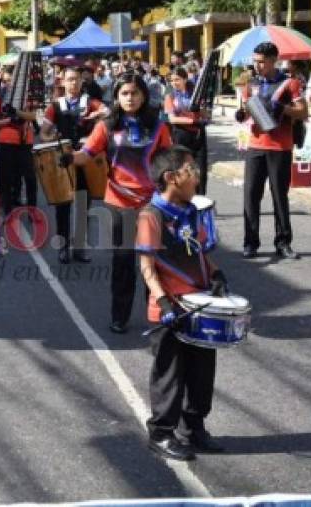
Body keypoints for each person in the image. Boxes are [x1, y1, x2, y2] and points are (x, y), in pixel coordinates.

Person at [62, 72, 172, 333]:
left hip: (151, 204)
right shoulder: (106, 126)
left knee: (153, 263)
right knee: (122, 264)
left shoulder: (159, 126)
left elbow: (169, 161)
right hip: (118, 203)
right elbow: (86, 154)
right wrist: (67, 158)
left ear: (143, 95)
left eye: (134, 92)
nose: (130, 98)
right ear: (117, 97)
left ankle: (156, 313)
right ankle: (119, 316)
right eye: (124, 93)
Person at [137, 145, 228, 461]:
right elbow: (147, 266)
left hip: (200, 306)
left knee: (202, 373)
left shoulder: (192, 210)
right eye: (191, 170)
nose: (197, 176)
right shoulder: (152, 215)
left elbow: (200, 252)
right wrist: (164, 304)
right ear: (171, 177)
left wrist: (216, 275)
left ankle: (194, 427)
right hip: (170, 310)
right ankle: (161, 433)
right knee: (170, 375)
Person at [234, 41, 308, 260]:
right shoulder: (250, 84)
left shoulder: (290, 83)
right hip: (255, 145)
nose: (257, 66)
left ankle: (283, 243)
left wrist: (282, 108)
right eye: (255, 61)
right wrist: (242, 115)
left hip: (280, 147)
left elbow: (302, 113)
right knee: (251, 196)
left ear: (274, 60)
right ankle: (250, 243)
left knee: (279, 196)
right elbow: (247, 112)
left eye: (262, 62)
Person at [40, 67, 108, 264]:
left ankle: (79, 247)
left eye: (77, 79)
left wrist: (98, 116)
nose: (74, 83)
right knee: (62, 206)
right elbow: (44, 132)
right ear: (63, 82)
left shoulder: (90, 102)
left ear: (81, 82)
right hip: (62, 160)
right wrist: (50, 137)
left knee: (82, 204)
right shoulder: (55, 105)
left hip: (84, 159)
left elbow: (109, 112)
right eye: (70, 79)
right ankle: (63, 248)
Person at [0, 66, 37, 218]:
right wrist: (9, 120)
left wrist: (17, 112)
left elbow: (33, 116)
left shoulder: (28, 94)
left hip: (25, 141)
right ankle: (8, 211)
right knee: (6, 179)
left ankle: (32, 211)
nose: (9, 84)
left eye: (12, 81)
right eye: (6, 81)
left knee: (30, 178)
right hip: (5, 141)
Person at [163, 67, 209, 193]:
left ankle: (200, 201)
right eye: (172, 80)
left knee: (201, 172)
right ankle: (182, 199)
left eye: (177, 79)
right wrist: (193, 121)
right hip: (181, 134)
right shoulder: (170, 96)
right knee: (182, 170)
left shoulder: (196, 94)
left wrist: (204, 112)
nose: (174, 83)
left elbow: (205, 114)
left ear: (185, 79)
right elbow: (172, 119)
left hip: (198, 135)